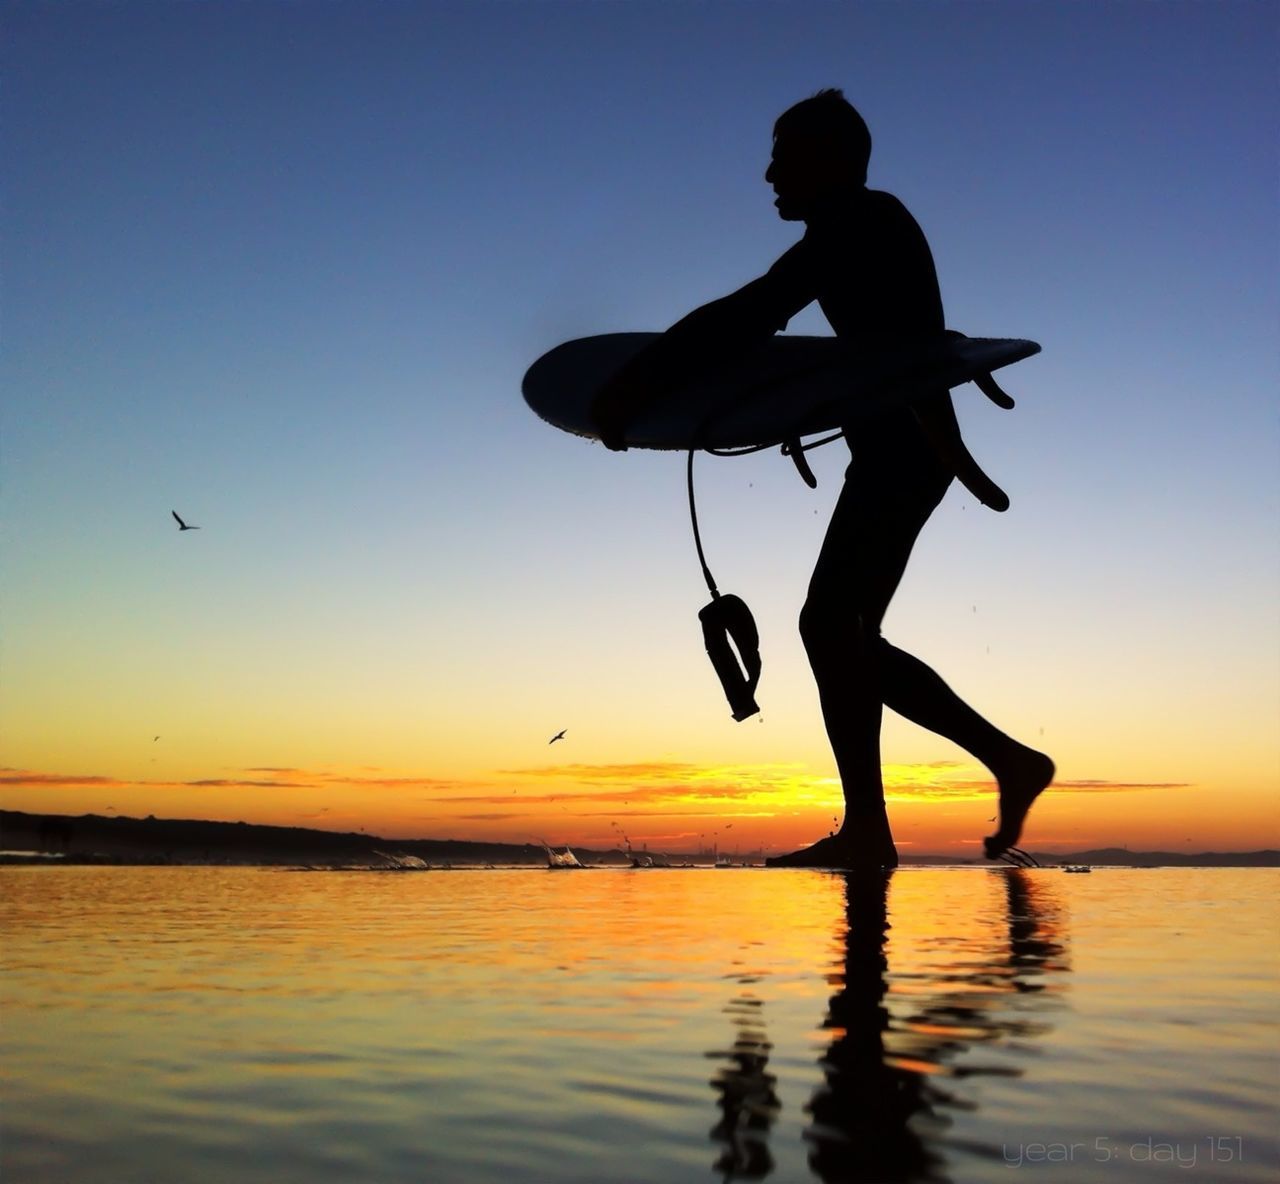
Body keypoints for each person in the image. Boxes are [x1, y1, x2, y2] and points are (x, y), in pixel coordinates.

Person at [591, 90, 1053, 869]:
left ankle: (986, 771)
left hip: (906, 455)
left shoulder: (860, 221)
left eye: (784, 155)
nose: (769, 172)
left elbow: (752, 311)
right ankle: (896, 814)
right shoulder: (861, 225)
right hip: (895, 454)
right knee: (837, 631)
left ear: (831, 161)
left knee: (831, 630)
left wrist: (633, 387)